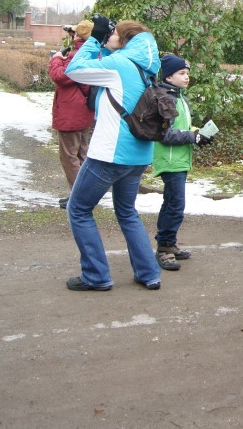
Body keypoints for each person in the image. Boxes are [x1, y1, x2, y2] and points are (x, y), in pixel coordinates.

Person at [62, 17, 162, 292]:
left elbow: (76, 70)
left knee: (79, 209)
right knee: (127, 212)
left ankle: (96, 275)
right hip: (139, 155)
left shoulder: (118, 65)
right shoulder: (146, 68)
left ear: (125, 39)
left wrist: (93, 38)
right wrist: (106, 47)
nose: (110, 36)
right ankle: (149, 273)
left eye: (113, 33)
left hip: (110, 153)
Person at [152, 53, 212, 271]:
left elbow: (183, 129)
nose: (187, 77)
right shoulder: (166, 99)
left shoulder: (178, 97)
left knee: (172, 203)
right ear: (168, 77)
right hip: (170, 160)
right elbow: (165, 135)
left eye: (187, 73)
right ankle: (164, 250)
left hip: (179, 159)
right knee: (175, 205)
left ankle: (168, 243)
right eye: (181, 73)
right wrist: (191, 137)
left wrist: (199, 135)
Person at [48, 20, 94, 209]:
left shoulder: (78, 56)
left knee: (69, 156)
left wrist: (57, 58)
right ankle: (83, 196)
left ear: (79, 36)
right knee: (82, 154)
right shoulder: (93, 52)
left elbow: (60, 76)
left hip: (71, 113)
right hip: (84, 111)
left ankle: (78, 199)